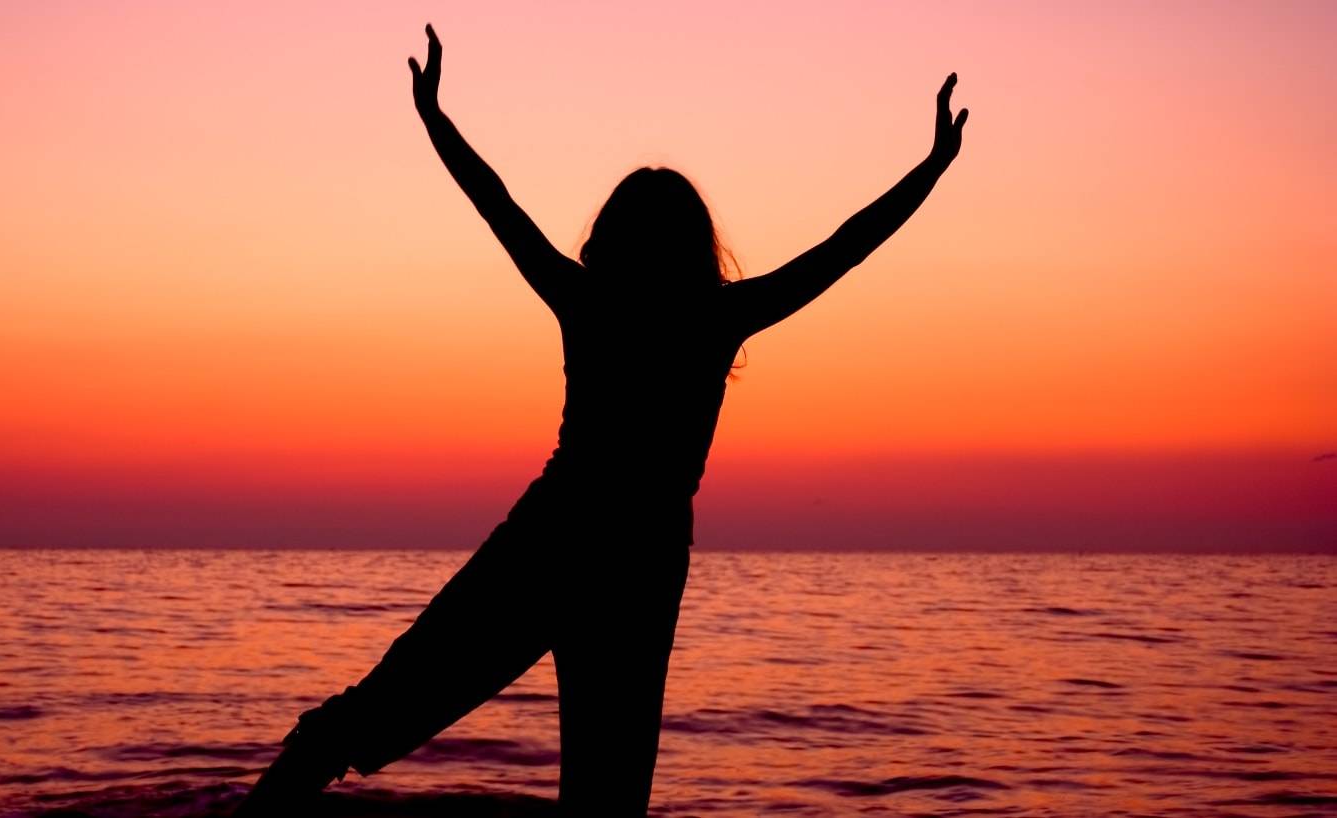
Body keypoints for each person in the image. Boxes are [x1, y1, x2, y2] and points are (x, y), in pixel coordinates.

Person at [232, 22, 967, 818]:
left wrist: (434, 116)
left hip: (560, 531)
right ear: (696, 245)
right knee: (603, 794)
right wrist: (930, 169)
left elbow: (497, 204)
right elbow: (844, 247)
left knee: (396, 701)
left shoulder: (591, 300)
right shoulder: (715, 316)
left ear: (610, 238)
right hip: (637, 555)